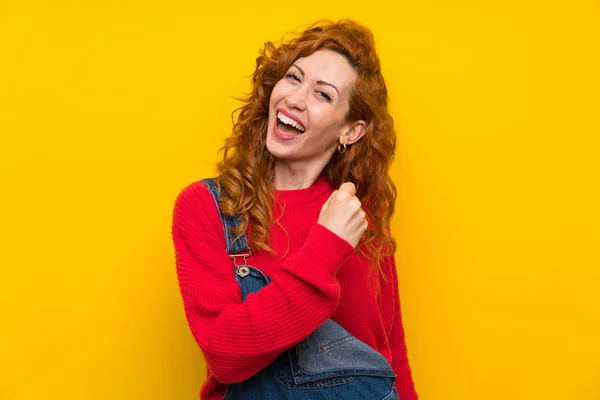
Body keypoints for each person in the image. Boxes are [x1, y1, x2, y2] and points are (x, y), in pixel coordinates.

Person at [172, 19, 418, 400]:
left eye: (322, 95)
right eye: (293, 78)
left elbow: (391, 352)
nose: (295, 99)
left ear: (350, 131)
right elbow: (225, 353)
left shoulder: (358, 213)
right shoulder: (210, 208)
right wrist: (327, 246)